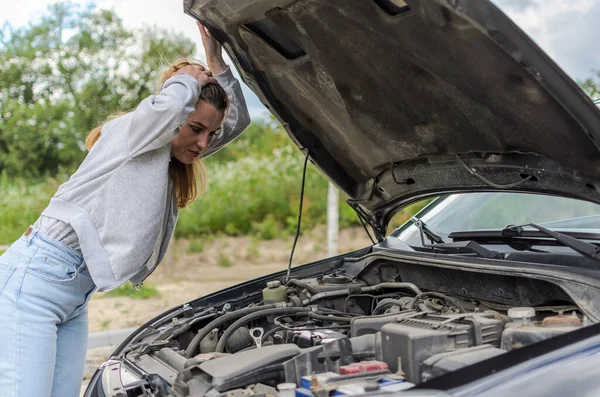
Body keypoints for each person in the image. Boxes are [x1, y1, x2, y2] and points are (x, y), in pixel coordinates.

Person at [0, 22, 250, 397]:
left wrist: (216, 63)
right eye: (195, 128)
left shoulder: (172, 153)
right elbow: (169, 108)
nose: (203, 142)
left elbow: (237, 122)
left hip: (72, 296)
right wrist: (184, 78)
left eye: (208, 134)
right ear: (173, 116)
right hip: (34, 284)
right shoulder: (133, 135)